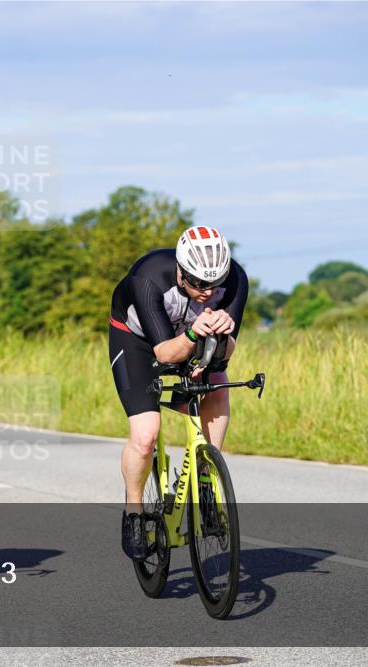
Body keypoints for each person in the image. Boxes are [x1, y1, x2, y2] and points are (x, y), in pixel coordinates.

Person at [109, 226, 248, 560]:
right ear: (181, 272)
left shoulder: (236, 279)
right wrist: (191, 334)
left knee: (217, 387)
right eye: (198, 283)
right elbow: (164, 354)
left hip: (190, 336)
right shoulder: (148, 277)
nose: (207, 291)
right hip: (139, 343)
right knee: (145, 435)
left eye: (214, 283)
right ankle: (133, 513)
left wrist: (223, 340)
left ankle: (207, 481)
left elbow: (227, 352)